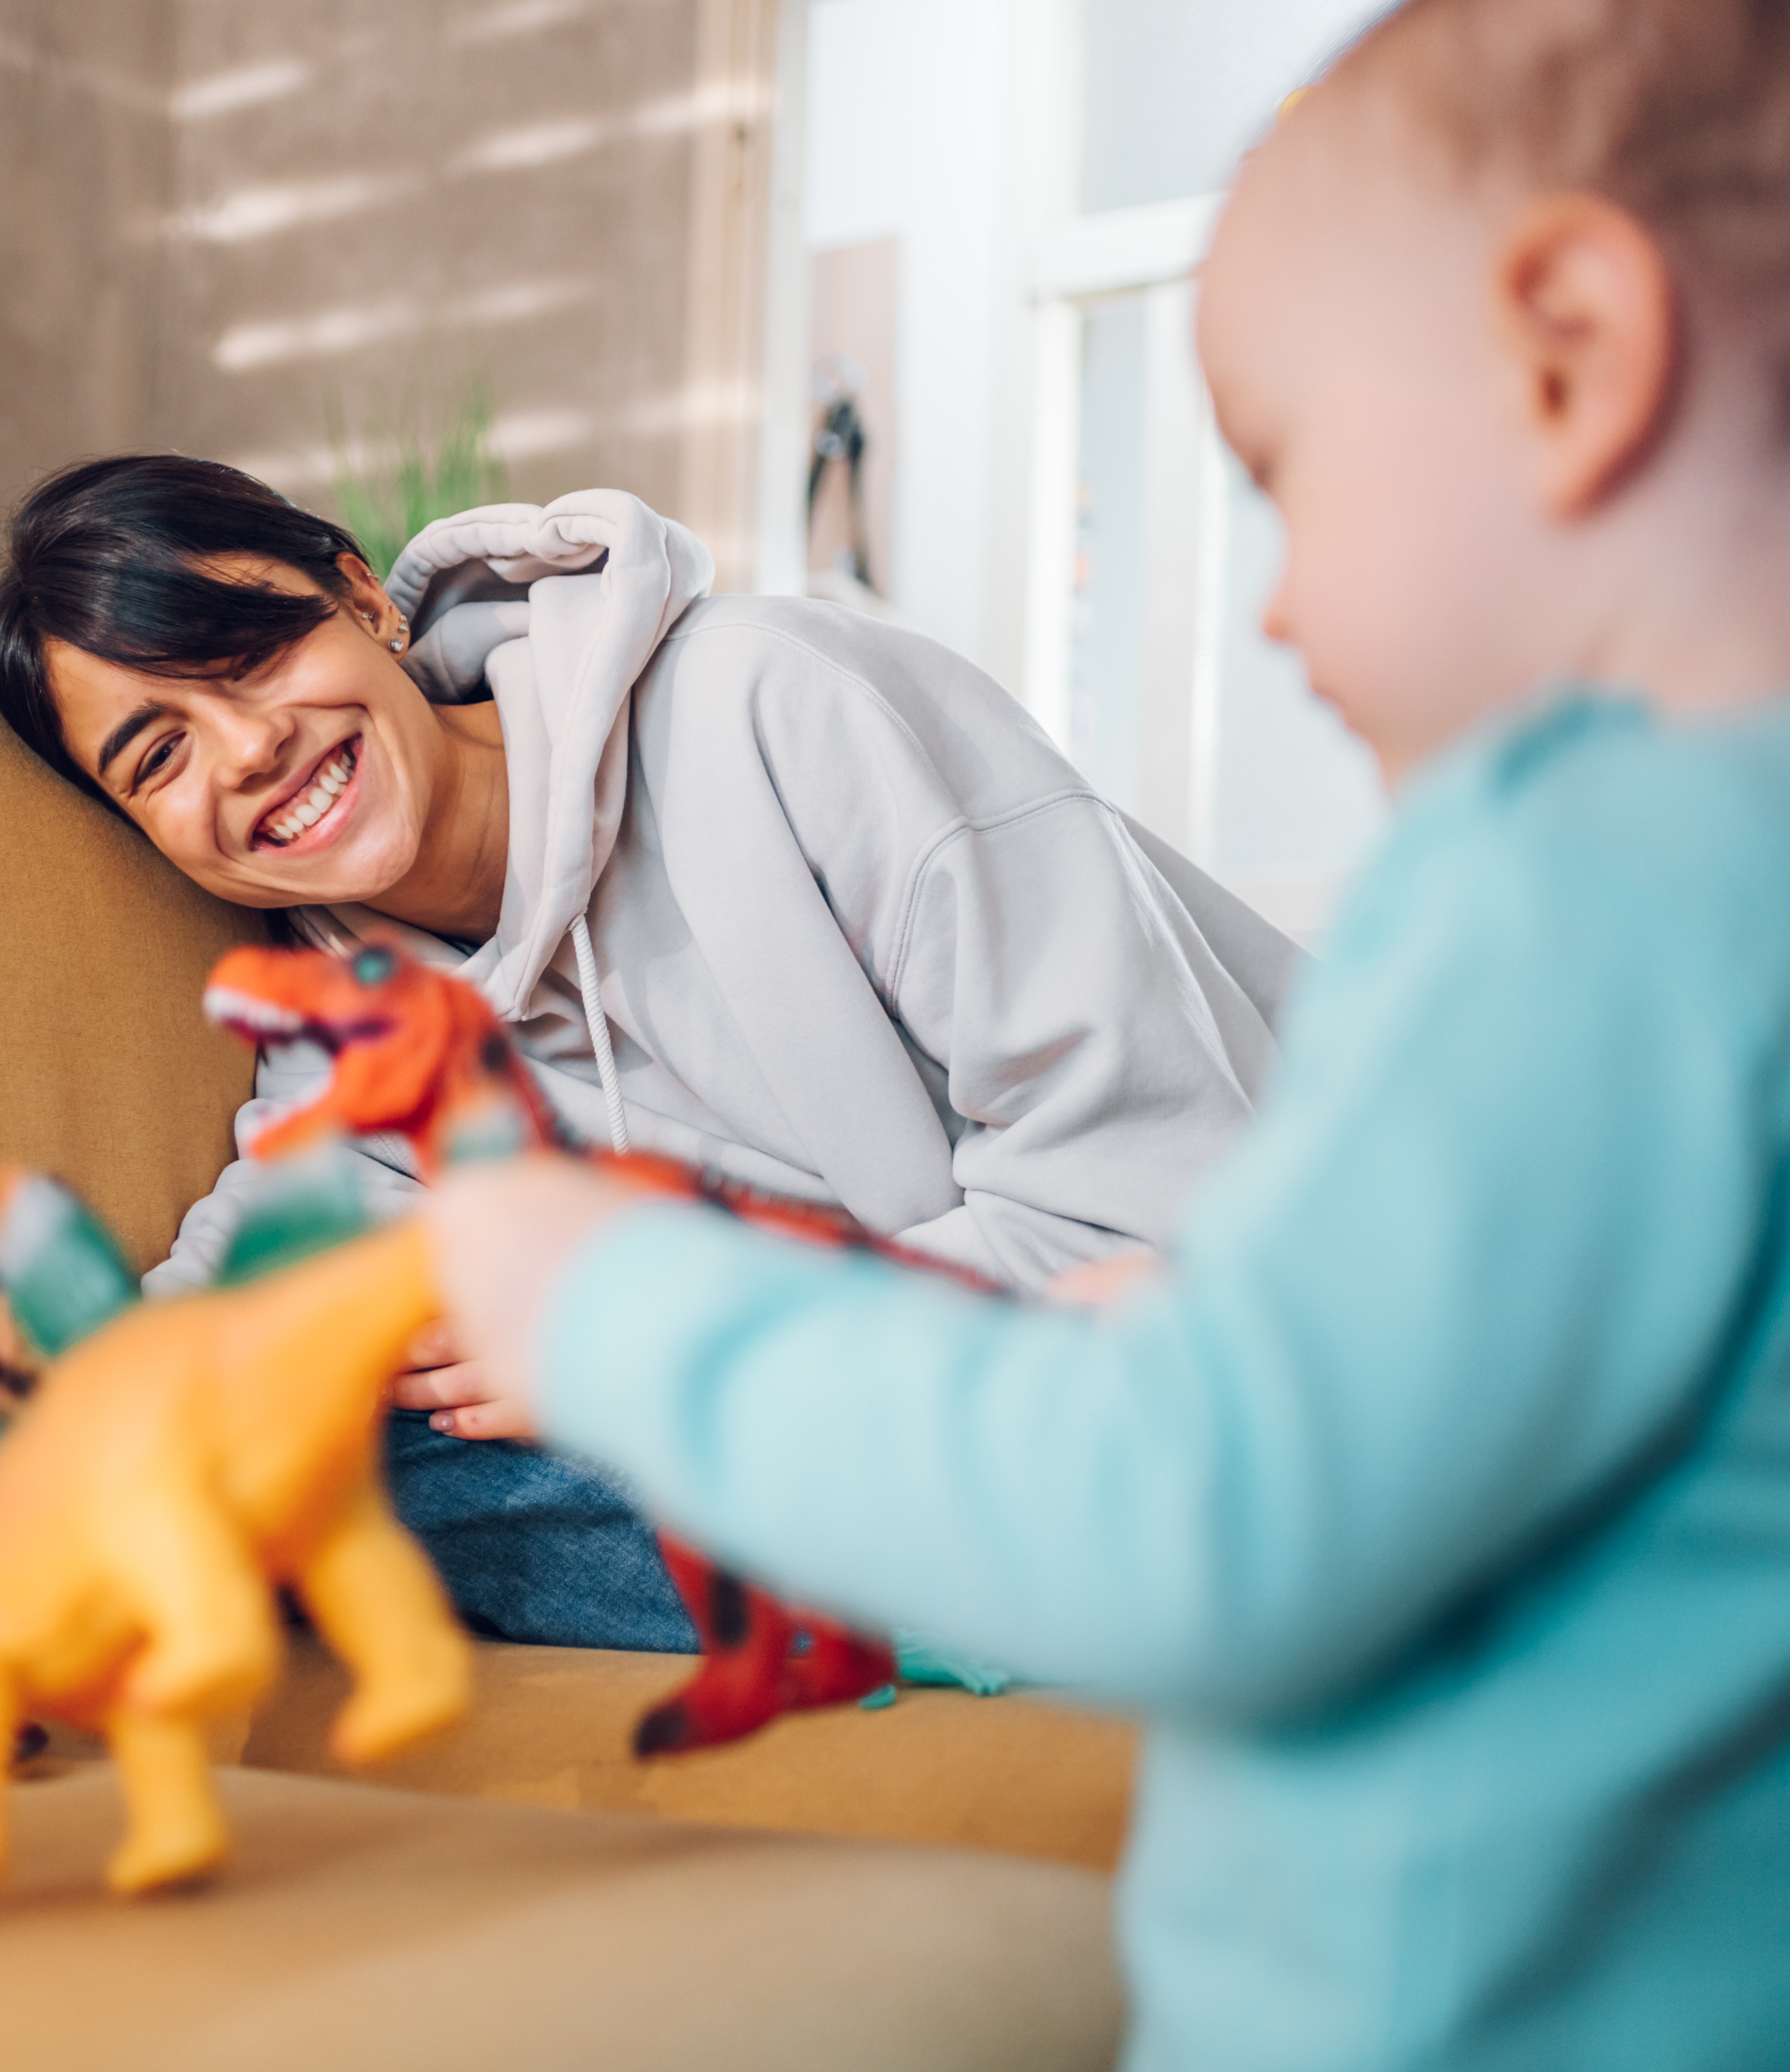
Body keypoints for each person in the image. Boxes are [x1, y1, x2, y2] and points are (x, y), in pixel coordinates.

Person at [424, 1, 1790, 2063]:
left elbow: (1208, 1530)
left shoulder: (1568, 882)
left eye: (1283, 471)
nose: (1273, 606)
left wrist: (623, 1300)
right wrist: (1226, 1302)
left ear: (1572, 352)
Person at [0, 437, 1296, 1651]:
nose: (250, 753)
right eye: (159, 756)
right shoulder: (355, 1054)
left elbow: (1167, 1219)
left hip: (1302, 1349)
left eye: (251, 658)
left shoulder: (781, 703)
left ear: (363, 598)